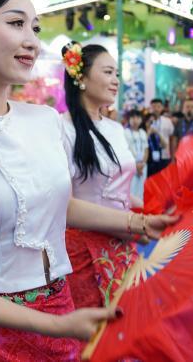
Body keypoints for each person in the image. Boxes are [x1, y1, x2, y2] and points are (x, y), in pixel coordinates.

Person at [0, 0, 178, 360]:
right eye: (16, 23)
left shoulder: (46, 121)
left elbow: (60, 205)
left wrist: (136, 222)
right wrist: (52, 325)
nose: (32, 41)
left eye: (34, 28)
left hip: (61, 306)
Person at [59, 42, 139, 312]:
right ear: (81, 77)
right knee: (92, 341)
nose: (116, 81)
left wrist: (158, 209)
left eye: (116, 73)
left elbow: (120, 191)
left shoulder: (116, 129)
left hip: (124, 244)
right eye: (108, 72)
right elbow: (64, 205)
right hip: (84, 252)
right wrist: (135, 221)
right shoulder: (61, 128)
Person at [125, 109, 148, 202]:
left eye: (137, 118)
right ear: (129, 119)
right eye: (133, 117)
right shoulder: (125, 132)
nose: (135, 120)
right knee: (131, 188)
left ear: (141, 120)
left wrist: (143, 163)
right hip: (131, 164)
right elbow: (125, 150)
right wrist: (136, 165)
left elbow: (146, 149)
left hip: (143, 165)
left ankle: (140, 210)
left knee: (141, 188)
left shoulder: (143, 132)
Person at [149, 98, 174, 175]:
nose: (156, 109)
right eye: (153, 106)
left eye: (158, 106)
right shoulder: (146, 120)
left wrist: (172, 156)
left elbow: (172, 138)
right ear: (150, 108)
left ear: (162, 108)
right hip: (150, 156)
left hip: (165, 155)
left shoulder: (168, 121)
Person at [145, 113, 168, 178]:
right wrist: (149, 132)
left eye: (154, 122)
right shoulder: (143, 132)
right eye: (150, 122)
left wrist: (157, 133)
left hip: (158, 161)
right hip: (149, 162)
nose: (152, 124)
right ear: (146, 122)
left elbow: (165, 145)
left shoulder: (156, 134)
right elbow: (143, 144)